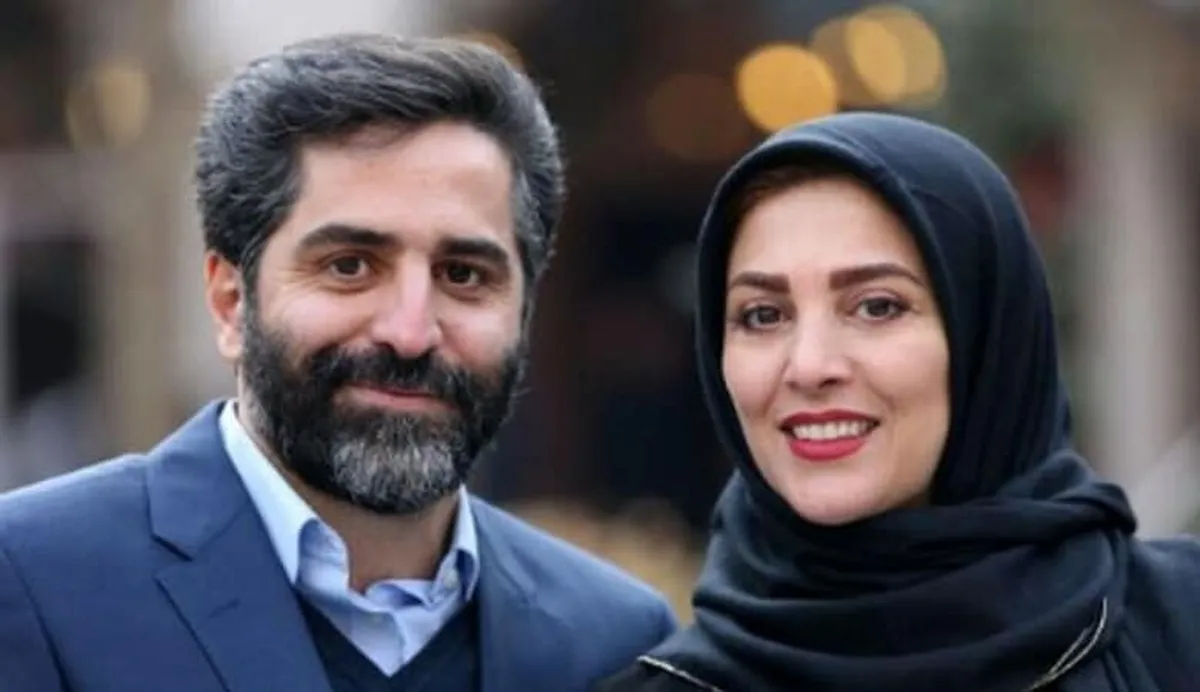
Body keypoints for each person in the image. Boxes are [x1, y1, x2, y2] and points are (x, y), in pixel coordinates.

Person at [0, 34, 677, 692]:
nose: (410, 333)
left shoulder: (615, 643)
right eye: (350, 266)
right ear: (231, 302)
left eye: (464, 274)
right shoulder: (37, 579)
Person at [598, 112, 1200, 691]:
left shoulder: (1178, 629)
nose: (809, 365)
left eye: (877, 306)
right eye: (763, 315)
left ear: (988, 337)